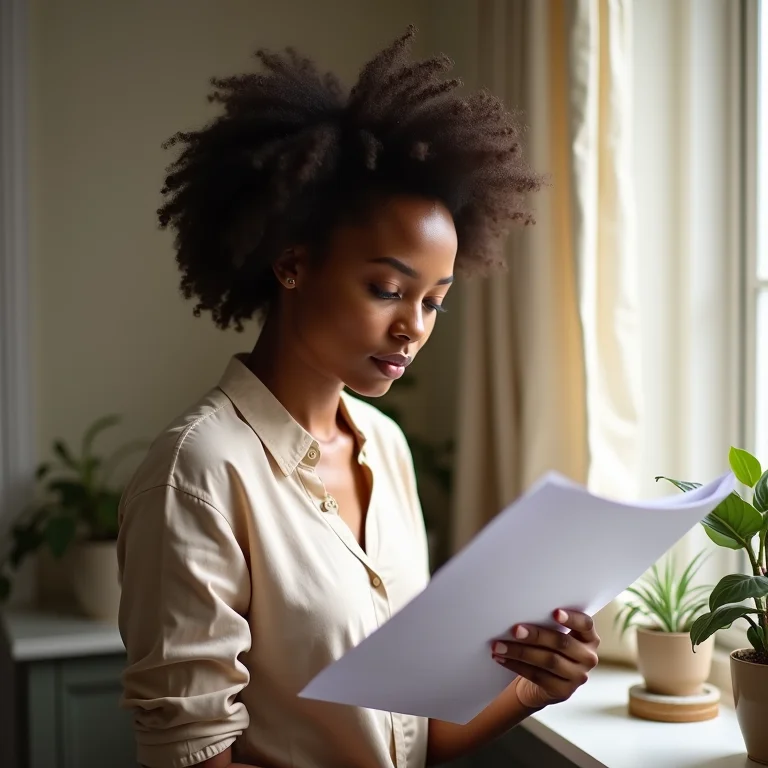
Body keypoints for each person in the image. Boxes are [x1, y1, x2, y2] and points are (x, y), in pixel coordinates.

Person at [116, 25, 600, 768]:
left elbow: (413, 733)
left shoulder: (386, 446)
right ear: (291, 264)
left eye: (435, 301)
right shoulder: (200, 473)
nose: (412, 328)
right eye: (387, 289)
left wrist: (534, 689)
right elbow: (190, 760)